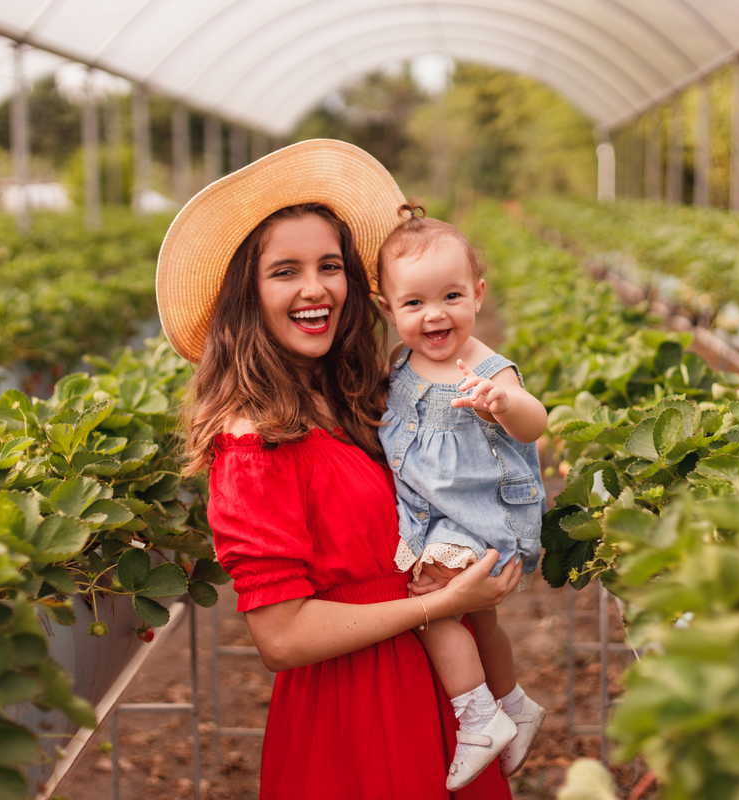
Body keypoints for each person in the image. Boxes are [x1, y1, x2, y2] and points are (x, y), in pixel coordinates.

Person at [155, 139, 520, 800]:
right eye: (284, 271)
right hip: (355, 710)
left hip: (433, 682)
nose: (315, 288)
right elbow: (281, 636)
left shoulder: (354, 396)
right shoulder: (252, 445)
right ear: (246, 295)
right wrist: (442, 604)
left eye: (329, 266)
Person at [375, 208, 548, 790]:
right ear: (389, 311)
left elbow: (535, 423)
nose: (435, 314)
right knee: (480, 620)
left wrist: (504, 404)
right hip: (433, 517)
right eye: (414, 303)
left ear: (478, 294)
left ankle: (477, 718)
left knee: (432, 603)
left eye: (451, 296)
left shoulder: (488, 370)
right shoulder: (400, 364)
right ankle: (513, 702)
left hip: (484, 519)